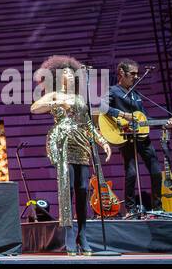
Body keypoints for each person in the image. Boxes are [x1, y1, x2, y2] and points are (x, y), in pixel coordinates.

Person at [30, 55, 111, 255]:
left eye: (71, 72)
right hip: (63, 144)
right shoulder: (54, 95)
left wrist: (103, 142)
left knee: (83, 189)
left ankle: (82, 234)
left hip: (81, 144)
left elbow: (88, 125)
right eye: (65, 72)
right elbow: (34, 107)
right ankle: (69, 232)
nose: (69, 75)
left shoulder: (80, 99)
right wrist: (56, 104)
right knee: (67, 190)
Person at [105, 59, 162, 218]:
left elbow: (144, 118)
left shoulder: (136, 94)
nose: (136, 77)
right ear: (122, 73)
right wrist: (122, 115)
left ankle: (157, 208)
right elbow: (101, 107)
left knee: (156, 171)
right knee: (131, 172)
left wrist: (163, 124)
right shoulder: (113, 91)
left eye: (137, 74)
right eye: (133, 74)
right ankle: (130, 208)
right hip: (125, 136)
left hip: (142, 137)